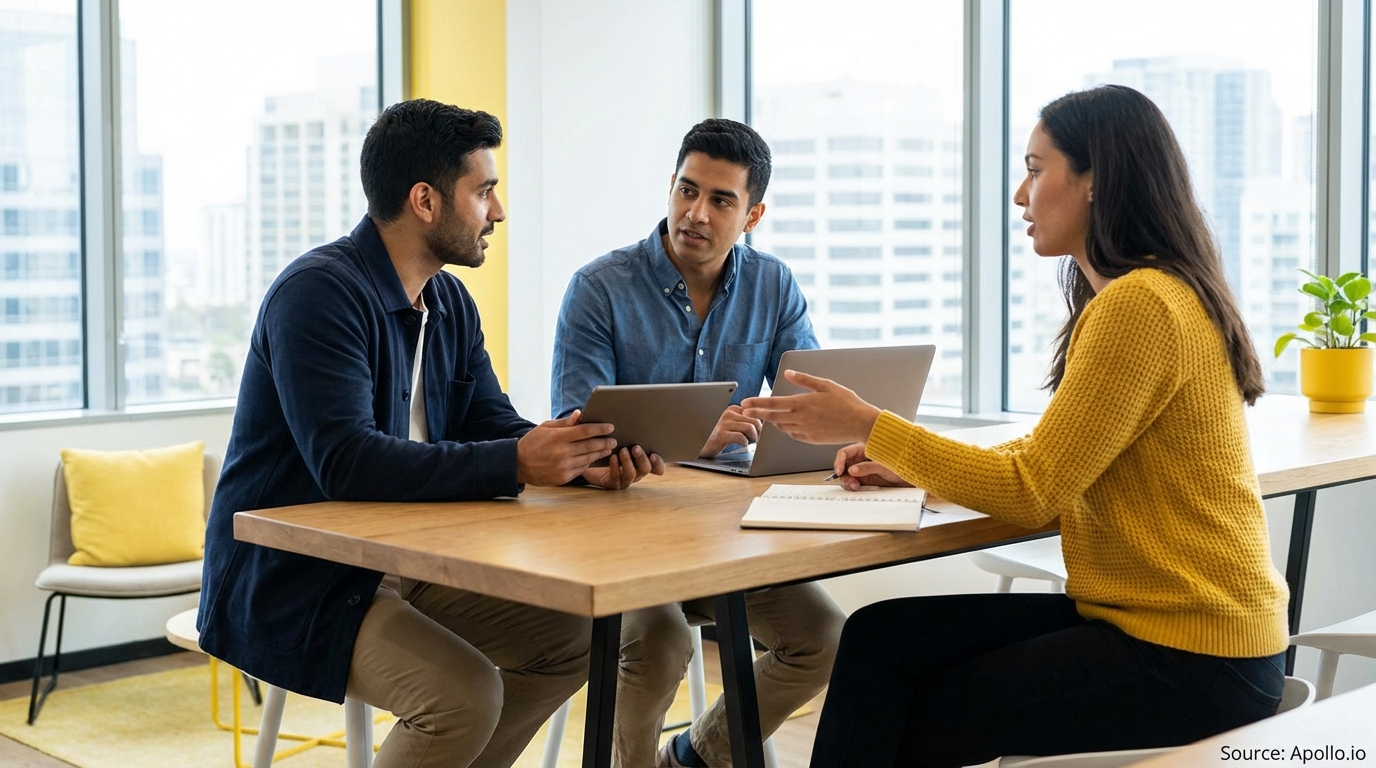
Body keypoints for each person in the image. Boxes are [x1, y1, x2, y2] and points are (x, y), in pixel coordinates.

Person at [742, 85, 1290, 768]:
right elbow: (1054, 455)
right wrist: (912, 462)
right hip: (1168, 628)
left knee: (919, 708)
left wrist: (870, 425)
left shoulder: (1140, 307)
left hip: (1193, 655)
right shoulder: (1148, 294)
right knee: (882, 638)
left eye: (1036, 168)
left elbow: (1035, 488)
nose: (1019, 195)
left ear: (1097, 181)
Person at [197, 99, 661, 768]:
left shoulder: (448, 302)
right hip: (302, 577)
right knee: (463, 694)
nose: (498, 212)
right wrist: (518, 462)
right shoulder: (318, 295)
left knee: (575, 640)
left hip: (412, 562)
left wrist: (575, 457)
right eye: (484, 191)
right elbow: (347, 464)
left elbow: (493, 426)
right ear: (424, 200)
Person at [550, 118, 846, 768]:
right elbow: (574, 434)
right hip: (618, 535)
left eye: (720, 200)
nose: (695, 212)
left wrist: (856, 438)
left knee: (824, 638)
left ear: (754, 213)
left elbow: (816, 401)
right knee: (658, 641)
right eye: (686, 190)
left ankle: (689, 758)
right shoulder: (600, 289)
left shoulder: (774, 286)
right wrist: (696, 436)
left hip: (723, 532)